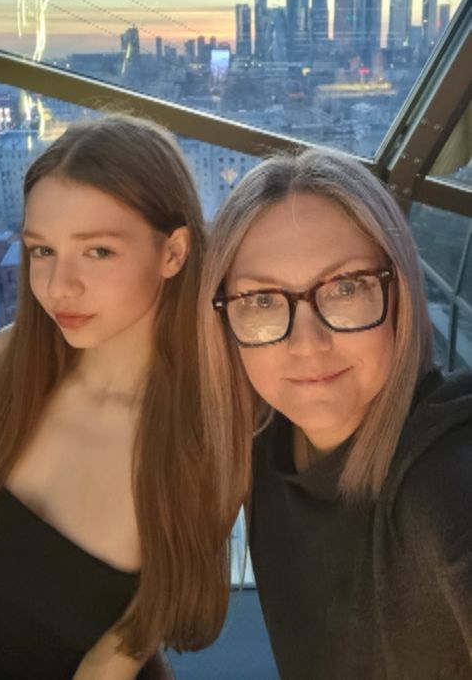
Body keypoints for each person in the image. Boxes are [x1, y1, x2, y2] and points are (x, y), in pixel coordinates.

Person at [198, 146, 472, 680]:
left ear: (401, 293)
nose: (308, 343)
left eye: (346, 288)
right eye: (261, 300)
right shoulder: (263, 440)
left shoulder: (443, 478)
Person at [0, 115, 233, 680]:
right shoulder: (7, 362)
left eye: (97, 251)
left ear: (173, 253)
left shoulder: (202, 437)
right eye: (42, 251)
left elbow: (119, 652)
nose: (59, 286)